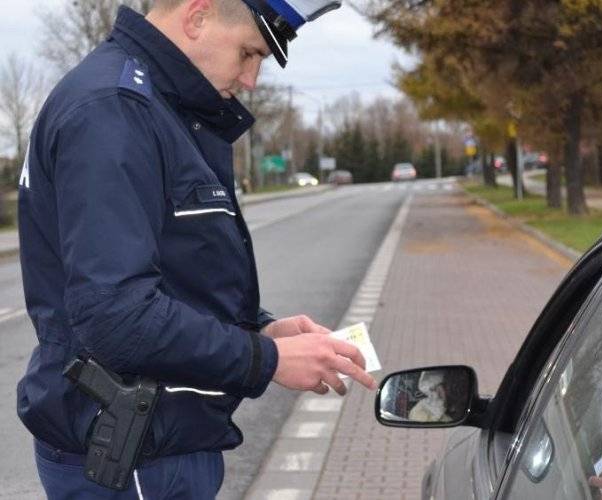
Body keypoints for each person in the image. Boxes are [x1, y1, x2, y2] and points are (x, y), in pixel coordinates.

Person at [16, 0, 375, 498]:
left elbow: (173, 276)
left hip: (158, 440)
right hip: (131, 458)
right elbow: (116, 316)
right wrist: (267, 359)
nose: (251, 79)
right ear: (198, 16)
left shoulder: (155, 107)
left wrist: (259, 329)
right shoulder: (114, 111)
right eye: (249, 53)